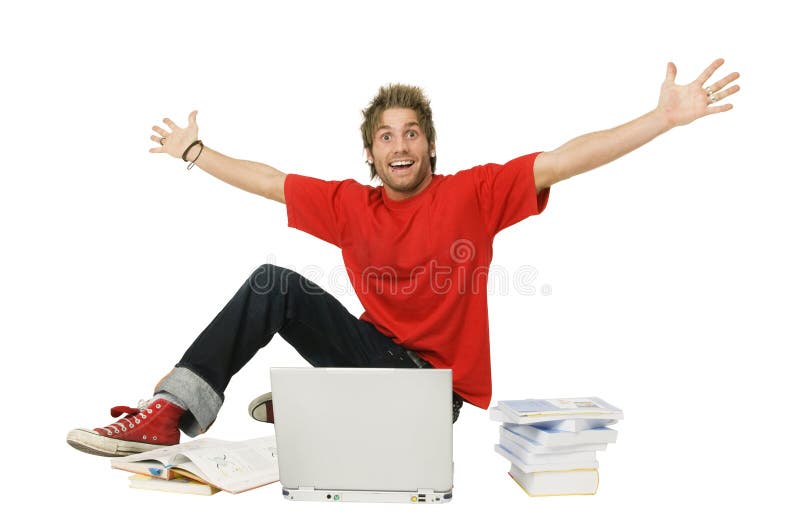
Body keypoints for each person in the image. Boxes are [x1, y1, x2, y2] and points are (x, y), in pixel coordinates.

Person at [67, 59, 739, 457]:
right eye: (386, 135)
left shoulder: (475, 192)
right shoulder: (349, 206)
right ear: (369, 152)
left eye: (411, 133)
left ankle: (329, 406)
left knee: (305, 311)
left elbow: (566, 157)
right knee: (274, 284)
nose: (400, 144)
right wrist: (195, 152)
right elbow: (270, 181)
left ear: (429, 146)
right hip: (375, 355)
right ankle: (175, 412)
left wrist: (661, 120)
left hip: (429, 390)